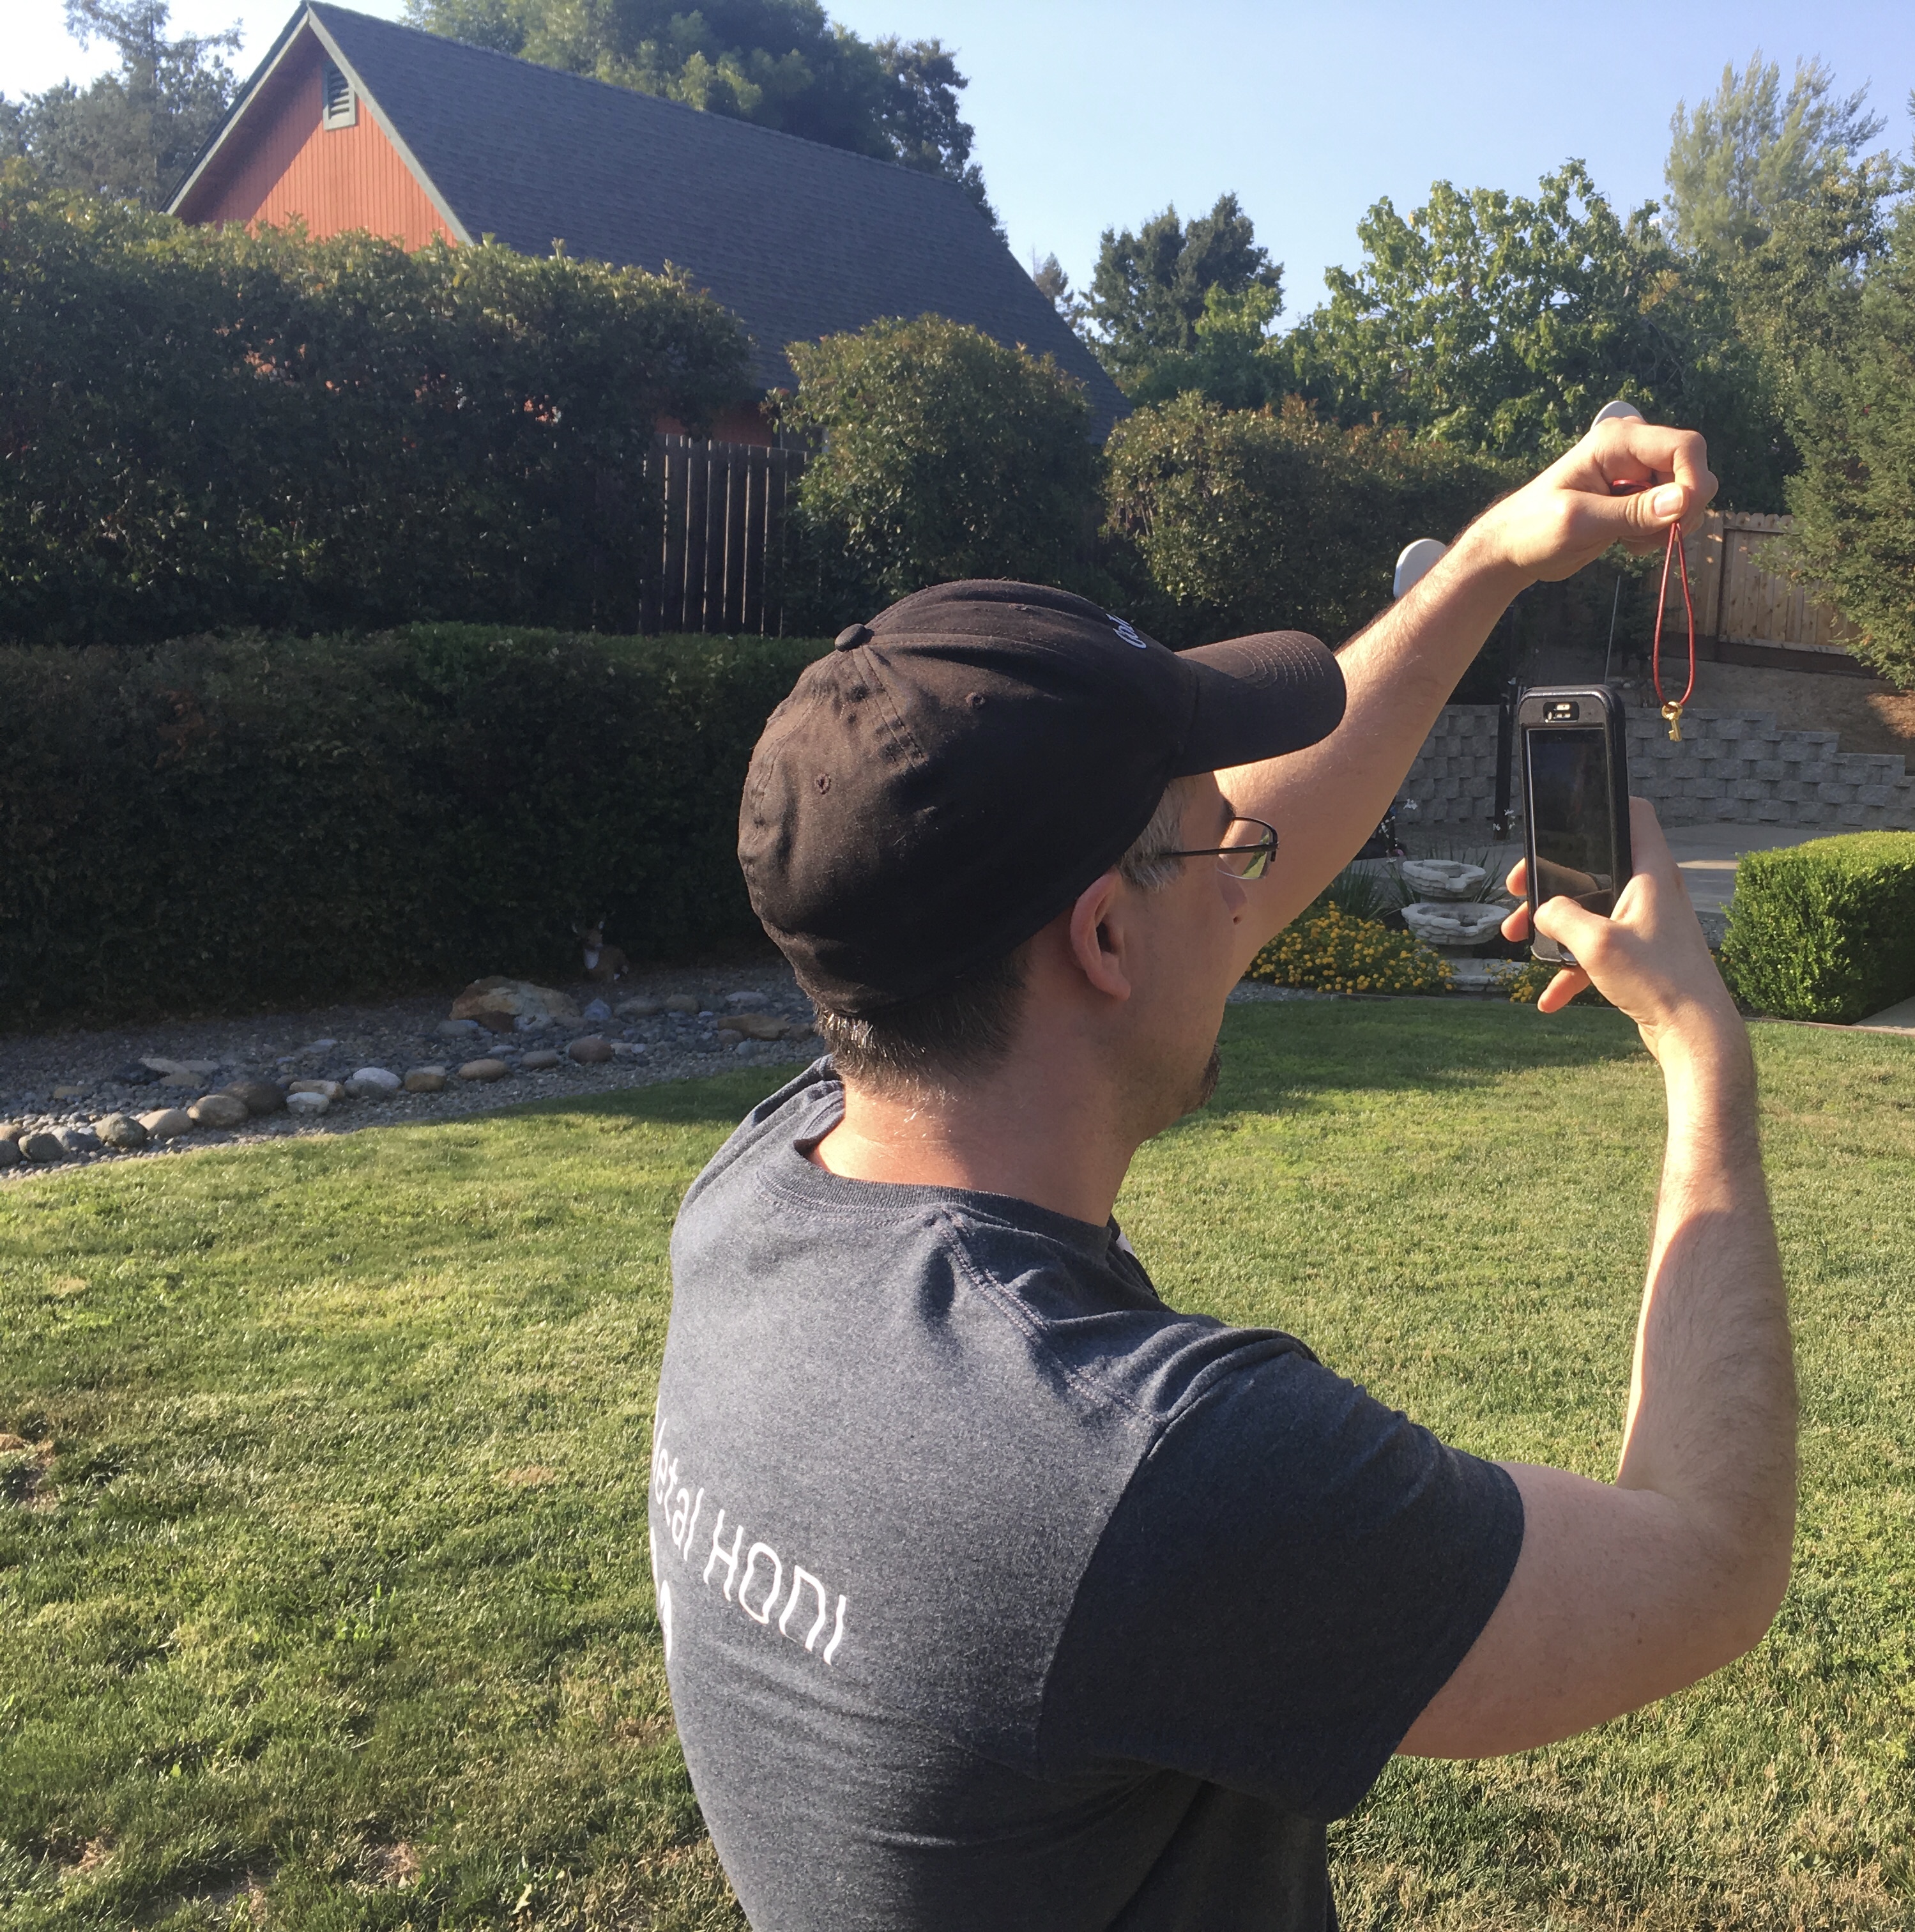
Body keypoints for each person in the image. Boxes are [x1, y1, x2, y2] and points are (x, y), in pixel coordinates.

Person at [650, 416, 1796, 1930]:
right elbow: (1707, 1567)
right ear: (1103, 941)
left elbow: (1211, 870)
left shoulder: (758, 1192)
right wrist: (1704, 1057)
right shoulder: (1147, 1469)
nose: (1255, 875)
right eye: (1222, 846)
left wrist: (1490, 564)